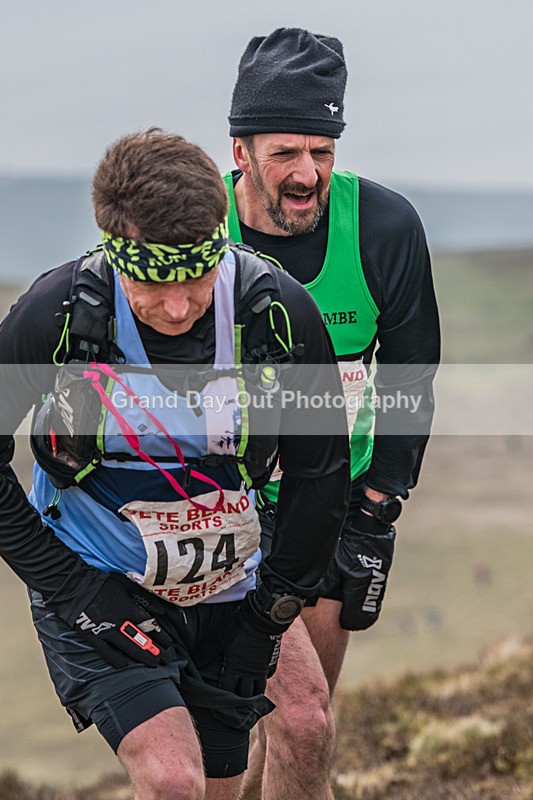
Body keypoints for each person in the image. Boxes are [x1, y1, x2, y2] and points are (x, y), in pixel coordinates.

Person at [0, 129, 351, 800]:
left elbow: (318, 475)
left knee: (245, 766)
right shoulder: (58, 315)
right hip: (100, 582)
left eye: (196, 277)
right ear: (113, 250)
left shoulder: (276, 312)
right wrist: (72, 591)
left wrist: (269, 614)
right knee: (171, 782)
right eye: (150, 284)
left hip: (232, 586)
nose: (176, 306)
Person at [224, 28, 441, 799]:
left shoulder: (381, 227)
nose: (306, 173)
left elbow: (411, 378)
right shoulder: (196, 226)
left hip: (330, 507)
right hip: (215, 511)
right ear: (241, 148)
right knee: (254, 719)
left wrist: (376, 515)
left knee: (297, 720)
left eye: (322, 149)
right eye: (285, 151)